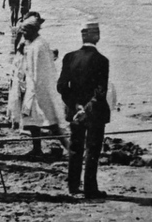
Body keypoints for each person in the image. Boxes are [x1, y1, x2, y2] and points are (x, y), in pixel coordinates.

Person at [57, 22, 111, 198]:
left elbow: (62, 87)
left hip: (75, 111)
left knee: (75, 147)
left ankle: (73, 185)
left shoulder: (69, 57)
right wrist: (86, 109)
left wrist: (75, 107)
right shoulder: (102, 61)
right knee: (93, 149)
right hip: (94, 112)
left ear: (83, 36)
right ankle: (90, 187)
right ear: (96, 36)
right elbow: (100, 92)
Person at [18, 19, 67, 157]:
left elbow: (37, 71)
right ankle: (37, 148)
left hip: (39, 88)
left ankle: (69, 147)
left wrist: (34, 90)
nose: (23, 33)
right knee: (33, 121)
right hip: (34, 87)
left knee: (51, 121)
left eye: (25, 30)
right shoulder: (35, 44)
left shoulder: (38, 45)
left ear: (33, 30)